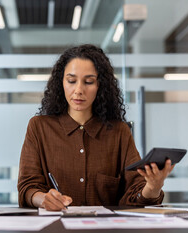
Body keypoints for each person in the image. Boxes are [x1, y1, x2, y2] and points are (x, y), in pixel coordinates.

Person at [17, 44, 174, 211]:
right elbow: (27, 186)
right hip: (55, 231)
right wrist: (41, 198)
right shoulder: (39, 127)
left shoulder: (119, 132)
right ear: (61, 82)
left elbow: (135, 193)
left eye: (89, 82)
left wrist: (153, 187)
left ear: (100, 86)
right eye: (71, 81)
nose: (78, 90)